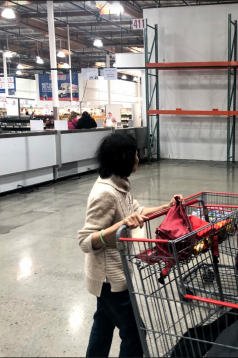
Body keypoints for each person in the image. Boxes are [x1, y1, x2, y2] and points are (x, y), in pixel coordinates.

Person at [78, 133, 182, 357]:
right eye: (136, 154)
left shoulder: (121, 184)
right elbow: (86, 241)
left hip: (117, 274)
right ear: (125, 158)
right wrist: (120, 226)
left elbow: (137, 212)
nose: (138, 158)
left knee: (103, 325)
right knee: (135, 334)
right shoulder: (105, 194)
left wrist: (167, 206)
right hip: (110, 279)